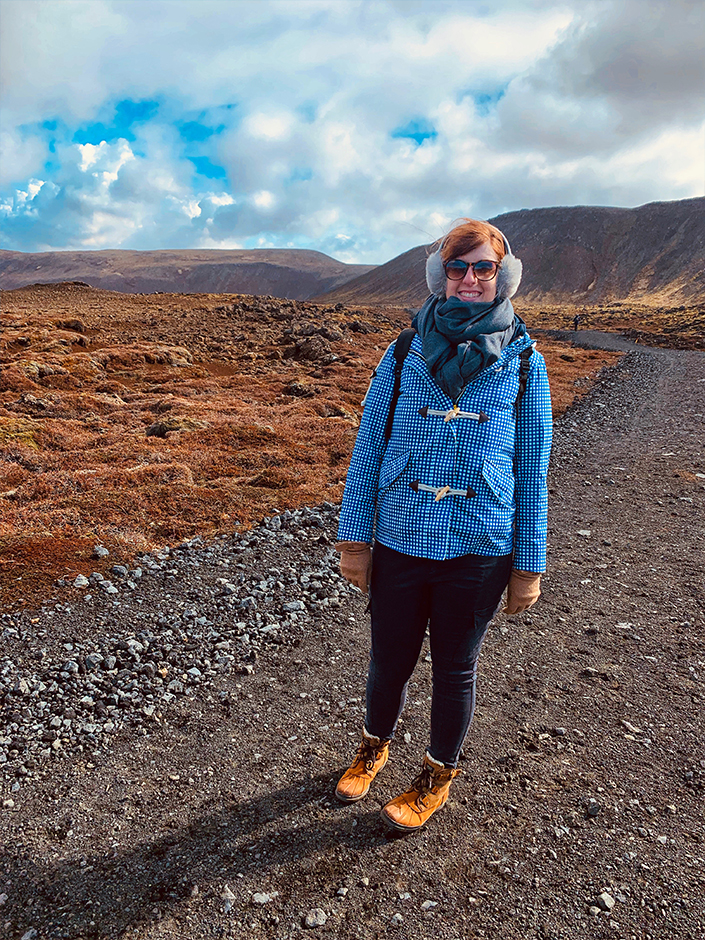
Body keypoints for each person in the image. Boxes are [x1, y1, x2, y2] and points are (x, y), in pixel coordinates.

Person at [333, 219, 552, 833]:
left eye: (483, 268)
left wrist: (528, 563)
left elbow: (533, 468)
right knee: (389, 657)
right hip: (401, 536)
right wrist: (355, 539)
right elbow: (368, 445)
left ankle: (436, 775)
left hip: (480, 545)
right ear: (441, 275)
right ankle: (373, 747)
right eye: (458, 268)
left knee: (456, 666)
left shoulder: (524, 359)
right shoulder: (403, 351)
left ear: (501, 275)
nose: (471, 279)